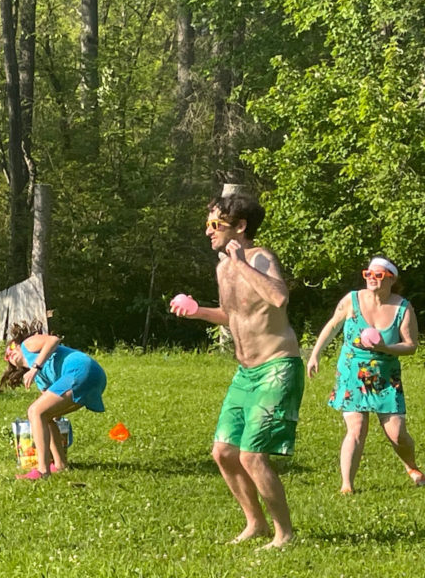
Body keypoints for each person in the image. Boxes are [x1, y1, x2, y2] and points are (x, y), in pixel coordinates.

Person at [171, 193, 304, 549]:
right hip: (245, 373)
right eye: (208, 223)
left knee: (252, 455)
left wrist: (242, 262)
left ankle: (284, 533)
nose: (207, 232)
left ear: (240, 227)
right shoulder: (221, 268)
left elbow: (278, 297)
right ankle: (255, 523)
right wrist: (198, 311)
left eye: (215, 224)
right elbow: (233, 316)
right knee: (224, 453)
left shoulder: (261, 258)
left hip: (278, 367)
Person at [306, 257, 424, 493]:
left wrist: (385, 348)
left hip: (386, 375)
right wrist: (315, 354)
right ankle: (347, 486)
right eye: (368, 274)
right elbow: (332, 325)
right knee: (356, 428)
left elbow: (411, 346)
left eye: (378, 275)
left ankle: (411, 467)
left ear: (391, 279)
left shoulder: (402, 307)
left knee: (397, 433)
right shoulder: (352, 300)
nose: (371, 278)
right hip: (352, 372)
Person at [5, 321, 107, 480]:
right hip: (95, 377)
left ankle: (42, 471)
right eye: (7, 356)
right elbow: (49, 412)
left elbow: (53, 340)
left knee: (34, 411)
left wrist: (35, 368)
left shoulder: (28, 344)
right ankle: (60, 465)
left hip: (81, 369)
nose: (10, 353)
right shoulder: (40, 379)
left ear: (18, 344)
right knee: (45, 415)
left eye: (11, 348)